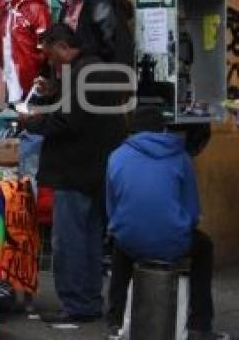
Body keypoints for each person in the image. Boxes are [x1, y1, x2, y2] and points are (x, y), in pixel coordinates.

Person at [19, 23, 129, 326]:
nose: (49, 61)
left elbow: (68, 122)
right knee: (91, 239)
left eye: (49, 54)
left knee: (69, 241)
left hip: (74, 170)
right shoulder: (95, 70)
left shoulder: (81, 74)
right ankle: (89, 300)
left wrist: (32, 121)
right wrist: (53, 91)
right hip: (99, 170)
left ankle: (76, 304)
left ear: (61, 47)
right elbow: (82, 111)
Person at [105, 107, 229, 340]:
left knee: (120, 248)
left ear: (132, 129)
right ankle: (199, 325)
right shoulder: (180, 156)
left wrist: (123, 228)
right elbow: (192, 209)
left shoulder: (116, 156)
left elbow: (112, 208)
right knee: (204, 248)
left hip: (131, 241)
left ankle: (115, 320)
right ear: (162, 129)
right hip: (173, 241)